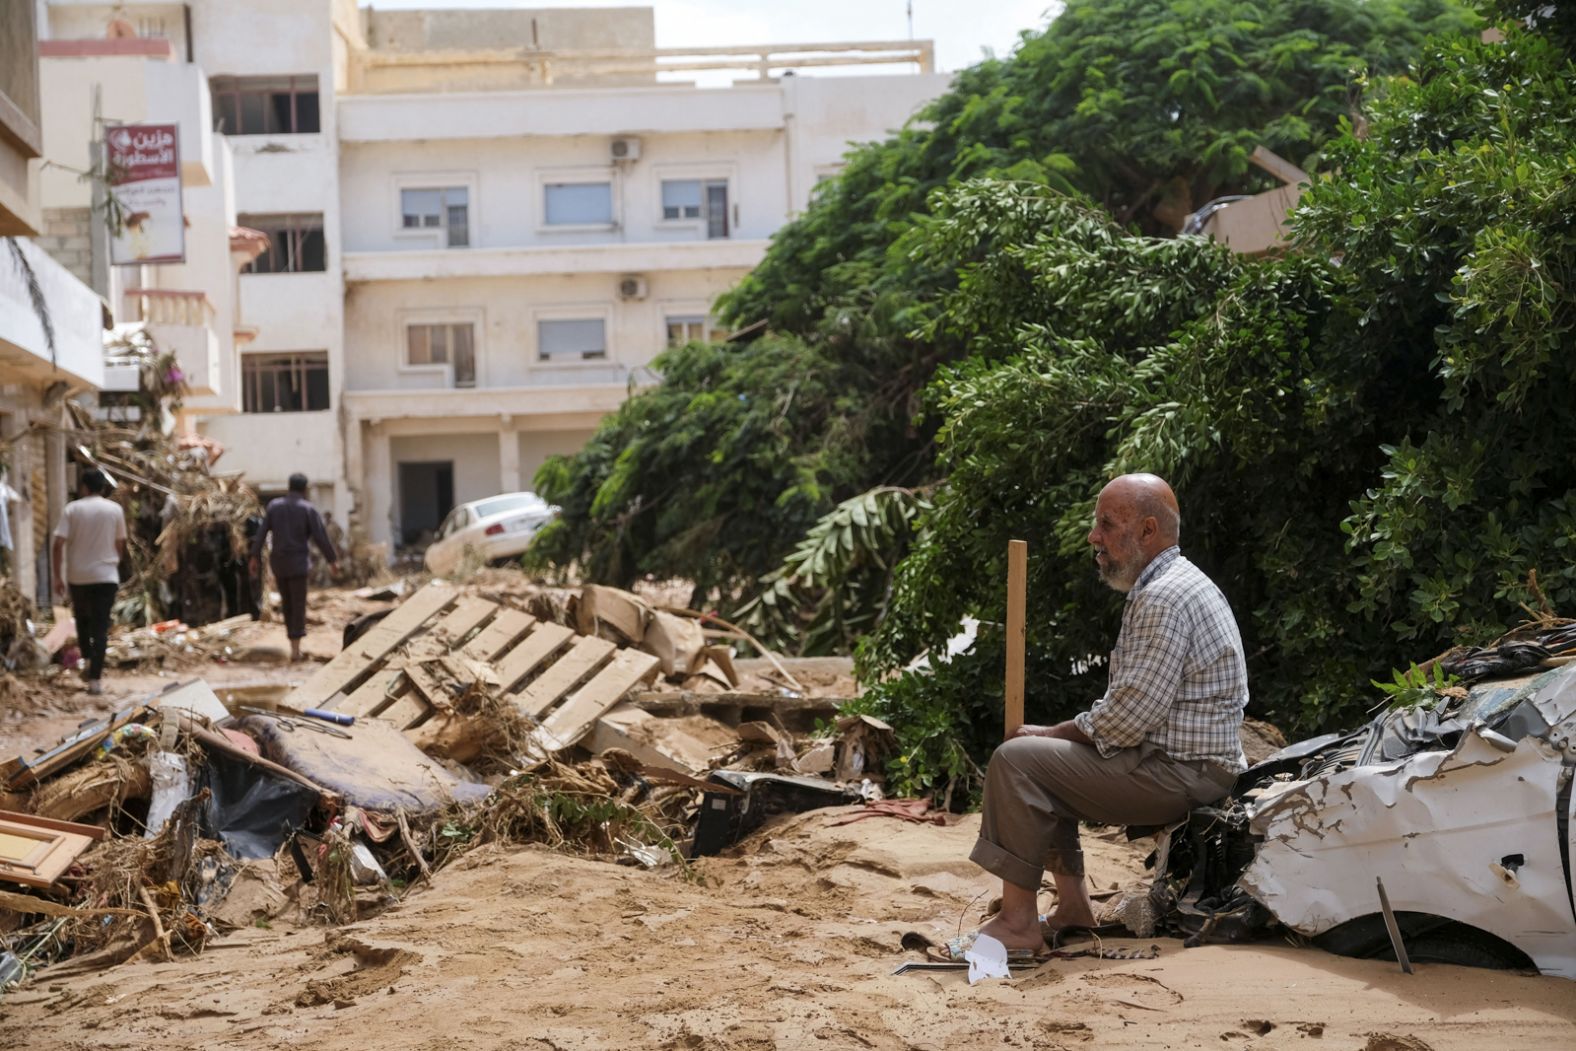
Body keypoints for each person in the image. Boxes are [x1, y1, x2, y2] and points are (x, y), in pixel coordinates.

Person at [954, 473, 1248, 960]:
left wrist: (1051, 732)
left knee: (1017, 762)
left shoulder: (1162, 597)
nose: (1095, 537)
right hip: (1189, 766)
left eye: (1107, 525)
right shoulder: (1178, 582)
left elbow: (1127, 719)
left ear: (1148, 531)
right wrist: (1061, 738)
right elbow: (1128, 716)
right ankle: (1072, 909)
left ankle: (1018, 924)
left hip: (1183, 773)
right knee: (1048, 760)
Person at [51, 468, 128, 696]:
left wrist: (57, 576)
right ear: (103, 488)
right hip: (106, 577)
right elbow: (121, 543)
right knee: (101, 627)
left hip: (79, 577)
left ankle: (86, 660)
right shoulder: (115, 510)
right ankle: (95, 680)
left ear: (83, 487)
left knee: (83, 622)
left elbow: (57, 544)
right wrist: (113, 562)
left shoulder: (72, 509)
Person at [249, 473, 338, 662]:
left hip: (279, 564)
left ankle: (293, 645)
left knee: (287, 603)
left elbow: (261, 533)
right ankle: (296, 650)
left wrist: (254, 557)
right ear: (304, 489)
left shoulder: (274, 507)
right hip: (298, 564)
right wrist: (332, 560)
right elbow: (320, 537)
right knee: (298, 605)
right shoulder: (307, 509)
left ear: (289, 487)